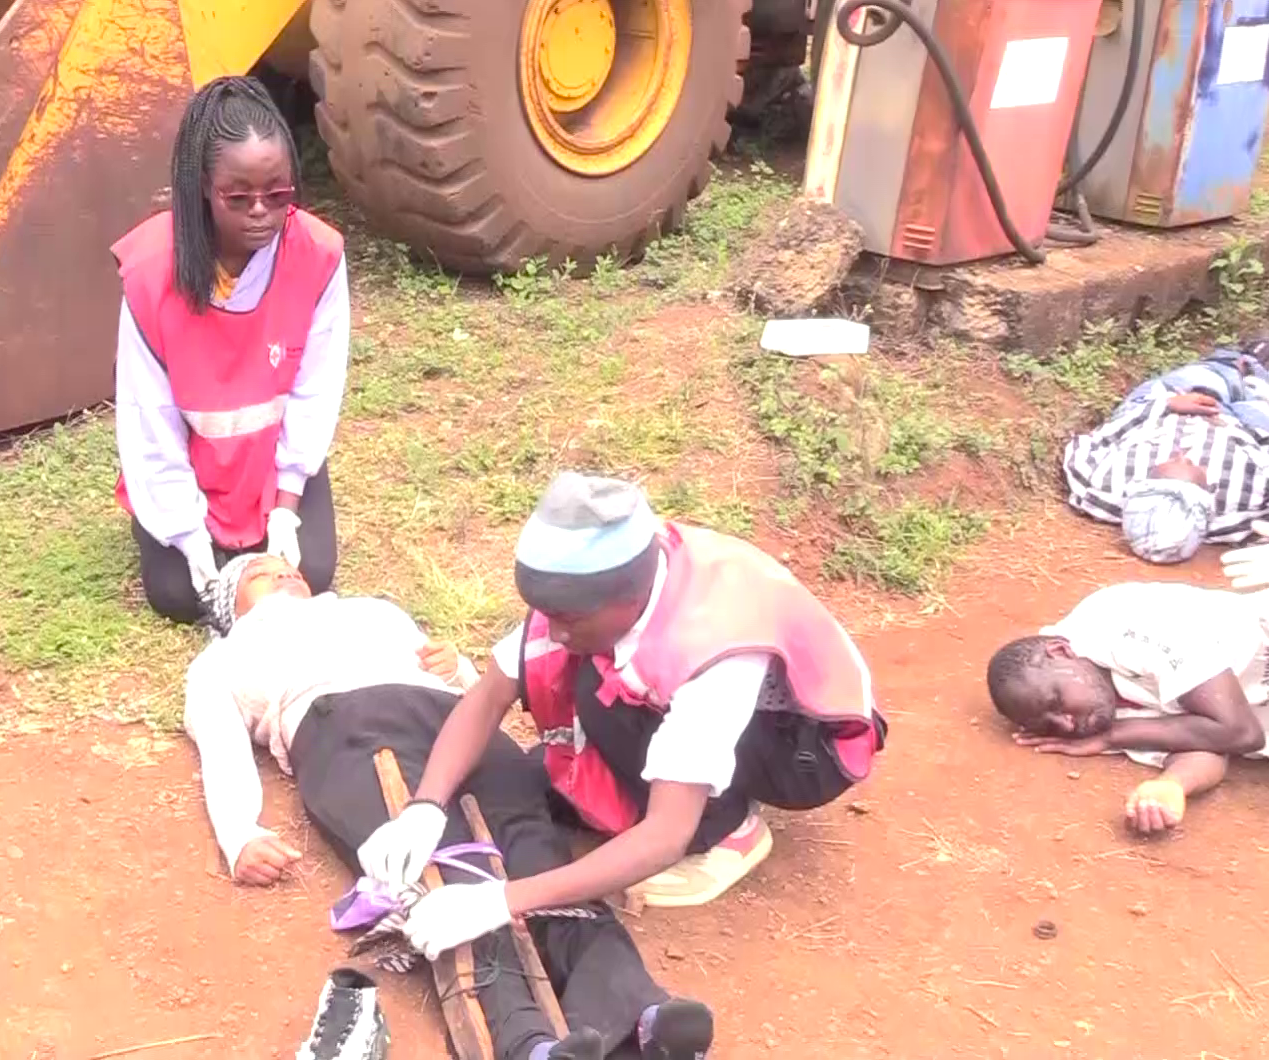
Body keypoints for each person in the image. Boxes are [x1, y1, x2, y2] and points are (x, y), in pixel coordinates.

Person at [184, 552, 717, 1060]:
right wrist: (239, 832)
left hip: (455, 723)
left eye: (288, 568)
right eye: (262, 572)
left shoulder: (372, 611)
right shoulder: (225, 656)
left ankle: (636, 1008)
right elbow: (219, 741)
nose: (283, 574)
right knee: (446, 873)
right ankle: (524, 1040)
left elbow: (469, 686)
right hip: (351, 726)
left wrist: (457, 666)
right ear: (233, 605)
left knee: (537, 851)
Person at [357, 472, 886, 962]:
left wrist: (500, 901)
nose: (554, 631)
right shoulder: (607, 573)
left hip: (806, 747)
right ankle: (653, 784)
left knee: (600, 691)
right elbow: (488, 697)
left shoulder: (712, 643)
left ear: (626, 598)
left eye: (568, 620)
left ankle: (729, 827)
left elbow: (664, 834)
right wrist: (423, 808)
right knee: (584, 675)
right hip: (742, 712)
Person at [113, 75, 349, 624]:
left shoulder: (318, 255)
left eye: (278, 194)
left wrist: (287, 508)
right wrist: (190, 536)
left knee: (313, 567)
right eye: (239, 197)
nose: (262, 212)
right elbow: (151, 422)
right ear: (201, 186)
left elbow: (316, 390)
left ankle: (265, 530)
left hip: (271, 464)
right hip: (191, 469)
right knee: (175, 592)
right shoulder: (151, 274)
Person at [985, 581, 1269, 835]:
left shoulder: (1122, 625)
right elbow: (1205, 744)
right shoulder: (1097, 708)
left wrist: (1114, 736)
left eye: (1056, 703)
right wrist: (1171, 785)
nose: (1067, 725)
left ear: (1061, 652)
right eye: (1050, 725)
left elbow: (1240, 732)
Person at [1063, 343, 1269, 564]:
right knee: (1258, 395)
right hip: (1247, 425)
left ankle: (1238, 359)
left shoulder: (1101, 487)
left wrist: (1165, 405)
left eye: (1169, 463)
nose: (1183, 455)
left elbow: (1085, 444)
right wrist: (1246, 434)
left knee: (1213, 374)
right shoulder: (1238, 512)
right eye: (1192, 466)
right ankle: (1257, 373)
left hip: (1173, 401)